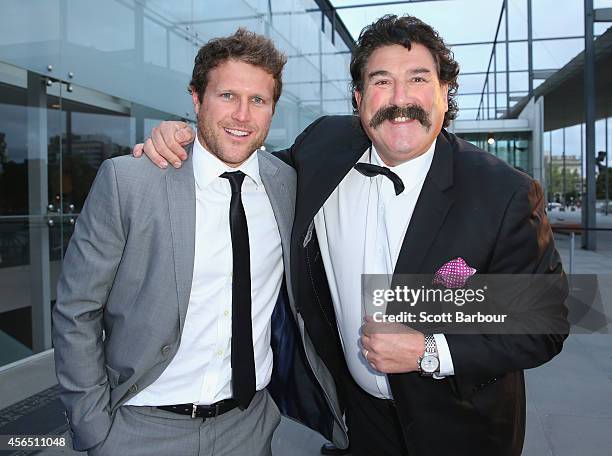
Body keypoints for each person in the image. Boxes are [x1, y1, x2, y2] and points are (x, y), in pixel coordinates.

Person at [134, 15, 569, 456]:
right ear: (360, 99)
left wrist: (430, 350)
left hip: (461, 429)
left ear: (444, 92)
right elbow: (244, 165)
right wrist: (183, 144)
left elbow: (544, 321)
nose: (400, 100)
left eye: (418, 79)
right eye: (382, 81)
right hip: (357, 424)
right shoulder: (323, 147)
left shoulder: (503, 192)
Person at [52, 28, 348, 456]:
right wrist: (93, 427)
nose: (242, 116)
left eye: (258, 101)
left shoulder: (288, 185)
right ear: (196, 99)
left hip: (249, 427)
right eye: (227, 95)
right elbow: (76, 308)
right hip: (138, 429)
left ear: (272, 109)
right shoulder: (132, 180)